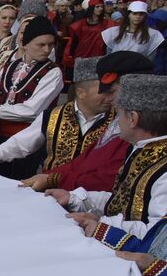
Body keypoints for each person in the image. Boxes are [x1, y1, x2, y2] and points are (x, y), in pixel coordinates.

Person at [21, 53, 156, 194]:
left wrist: (54, 179)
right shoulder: (120, 120)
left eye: (113, 92)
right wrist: (50, 176)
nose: (110, 99)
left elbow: (108, 179)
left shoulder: (138, 128)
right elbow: (83, 161)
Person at [0, 52, 117, 178]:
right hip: (50, 197)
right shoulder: (54, 116)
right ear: (81, 92)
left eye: (113, 92)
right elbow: (21, 144)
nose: (111, 98)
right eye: (105, 92)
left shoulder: (117, 122)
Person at [55, 73, 167, 240]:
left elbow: (159, 235)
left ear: (132, 119)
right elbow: (120, 201)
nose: (116, 120)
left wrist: (103, 223)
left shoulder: (163, 169)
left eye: (119, 114)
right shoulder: (139, 150)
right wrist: (74, 198)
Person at [0, 15, 63, 171]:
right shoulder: (12, 64)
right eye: (41, 44)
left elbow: (31, 111)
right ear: (25, 44)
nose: (47, 50)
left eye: (50, 45)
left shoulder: (53, 73)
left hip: (24, 145)